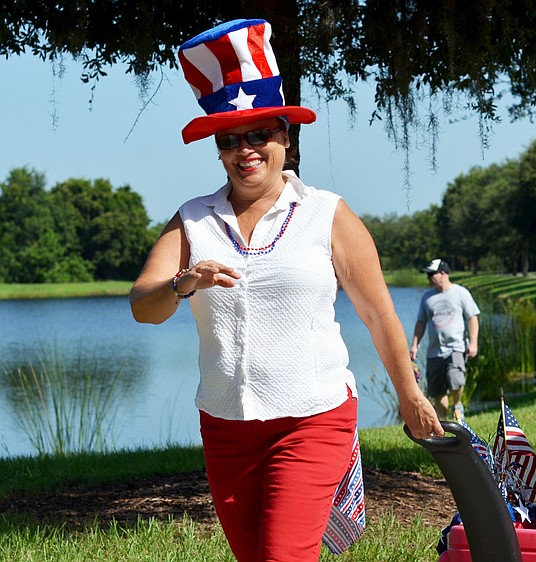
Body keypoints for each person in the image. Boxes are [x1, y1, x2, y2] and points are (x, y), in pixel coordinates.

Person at [129, 19, 442, 562]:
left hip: (312, 419)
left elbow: (378, 314)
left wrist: (410, 396)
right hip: (226, 429)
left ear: (285, 139)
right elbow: (143, 307)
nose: (244, 150)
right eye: (229, 141)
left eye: (258, 135)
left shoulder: (327, 214)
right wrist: (184, 283)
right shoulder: (193, 220)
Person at [409, 259, 480, 420]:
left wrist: (473, 342)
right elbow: (421, 322)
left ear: (443, 273)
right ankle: (443, 422)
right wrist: (414, 345)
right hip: (434, 351)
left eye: (431, 274)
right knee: (437, 390)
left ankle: (457, 405)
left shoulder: (460, 292)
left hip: (456, 347)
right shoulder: (427, 297)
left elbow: (472, 318)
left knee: (455, 378)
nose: (428, 278)